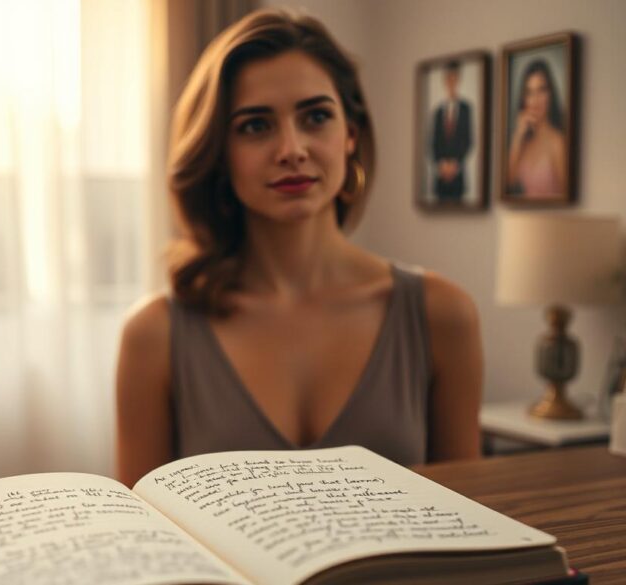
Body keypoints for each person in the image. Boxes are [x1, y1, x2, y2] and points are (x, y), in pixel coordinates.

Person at [115, 8, 482, 488]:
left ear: (350, 135)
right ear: (219, 153)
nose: (292, 148)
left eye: (315, 117)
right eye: (255, 126)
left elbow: (470, 522)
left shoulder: (441, 314)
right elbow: (144, 539)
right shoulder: (154, 336)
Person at [507, 59, 566, 199]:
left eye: (541, 90)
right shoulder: (524, 142)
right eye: (529, 92)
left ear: (550, 94)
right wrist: (517, 136)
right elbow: (508, 182)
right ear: (524, 98)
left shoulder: (558, 142)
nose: (535, 100)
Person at [430, 61, 473, 202]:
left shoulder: (466, 109)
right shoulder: (438, 112)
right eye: (448, 78)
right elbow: (433, 142)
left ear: (458, 80)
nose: (451, 82)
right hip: (440, 178)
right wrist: (441, 165)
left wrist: (455, 164)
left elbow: (468, 140)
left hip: (458, 176)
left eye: (454, 78)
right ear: (445, 81)